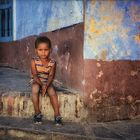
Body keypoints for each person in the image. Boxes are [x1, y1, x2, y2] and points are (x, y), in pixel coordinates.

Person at [30, 36, 62, 125]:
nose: (43, 52)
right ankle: (37, 113)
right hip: (37, 80)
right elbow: (35, 75)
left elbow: (51, 76)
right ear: (36, 50)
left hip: (47, 80)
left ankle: (57, 115)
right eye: (40, 50)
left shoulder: (52, 62)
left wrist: (46, 85)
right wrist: (41, 85)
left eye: (46, 50)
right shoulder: (34, 60)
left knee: (52, 92)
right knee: (35, 89)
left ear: (50, 50)